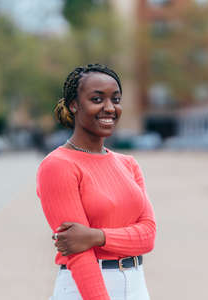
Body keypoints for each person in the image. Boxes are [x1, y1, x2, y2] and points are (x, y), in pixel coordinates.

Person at [36, 64, 156, 300]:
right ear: (74, 104)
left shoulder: (128, 164)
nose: (109, 108)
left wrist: (96, 236)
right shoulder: (58, 165)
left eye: (116, 99)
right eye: (97, 99)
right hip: (84, 289)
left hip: (136, 285)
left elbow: (148, 235)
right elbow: (79, 254)